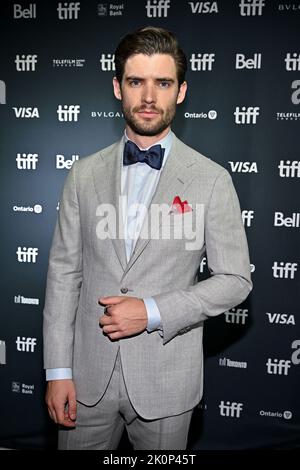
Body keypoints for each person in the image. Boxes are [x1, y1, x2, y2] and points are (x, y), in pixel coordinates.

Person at [43, 26, 252, 450]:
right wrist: (57, 371)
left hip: (167, 383)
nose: (149, 97)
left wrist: (153, 311)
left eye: (163, 82)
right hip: (86, 379)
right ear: (118, 87)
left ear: (182, 90)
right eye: (137, 81)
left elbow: (236, 280)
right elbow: (64, 275)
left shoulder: (211, 180)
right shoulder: (83, 175)